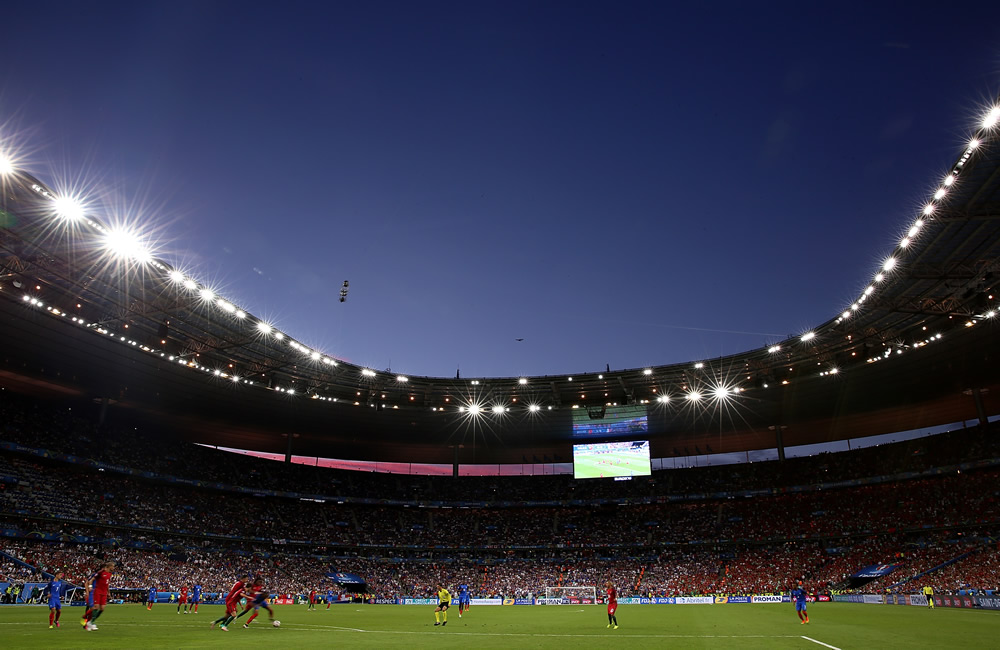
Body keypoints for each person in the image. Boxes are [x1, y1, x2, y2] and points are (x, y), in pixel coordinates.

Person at [82, 561, 114, 631]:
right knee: (94, 607)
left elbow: (107, 584)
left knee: (102, 608)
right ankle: (89, 621)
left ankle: (88, 620)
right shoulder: (100, 573)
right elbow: (90, 581)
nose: (113, 568)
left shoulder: (110, 574)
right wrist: (89, 588)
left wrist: (108, 593)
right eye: (113, 566)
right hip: (96, 591)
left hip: (104, 593)